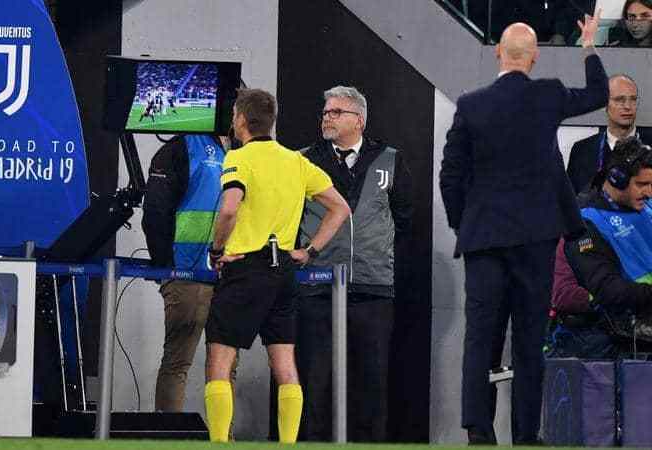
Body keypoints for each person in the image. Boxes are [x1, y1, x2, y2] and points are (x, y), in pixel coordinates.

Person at [439, 10, 608, 445]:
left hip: (484, 240)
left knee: (481, 337)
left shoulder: (471, 105)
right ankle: (526, 435)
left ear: (499, 52)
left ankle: (479, 432)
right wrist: (588, 46)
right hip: (535, 240)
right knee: (530, 339)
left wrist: (465, 225)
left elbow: (450, 175)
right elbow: (599, 93)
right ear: (534, 58)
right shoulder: (548, 95)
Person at [202, 88, 350, 443]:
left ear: (240, 119)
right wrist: (309, 250)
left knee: (219, 361)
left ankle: (219, 443)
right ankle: (287, 444)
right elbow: (341, 208)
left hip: (245, 268)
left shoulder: (239, 158)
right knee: (285, 365)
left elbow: (229, 208)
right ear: (272, 121)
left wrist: (217, 249)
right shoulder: (295, 161)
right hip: (283, 270)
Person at [295, 86, 411, 442]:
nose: (326, 118)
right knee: (314, 382)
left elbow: (404, 219)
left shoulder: (390, 159)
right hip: (317, 286)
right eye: (325, 112)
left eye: (336, 112)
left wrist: (377, 256)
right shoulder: (303, 160)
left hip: (372, 289)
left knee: (372, 384)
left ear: (358, 120)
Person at [141, 134, 236, 412]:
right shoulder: (181, 147)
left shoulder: (244, 148)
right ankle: (169, 434)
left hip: (231, 276)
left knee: (225, 368)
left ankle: (222, 436)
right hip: (187, 272)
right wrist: (167, 266)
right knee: (177, 362)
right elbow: (155, 211)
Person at [553, 137, 652, 358]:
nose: (648, 192)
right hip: (612, 342)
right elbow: (609, 290)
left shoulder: (645, 206)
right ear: (617, 179)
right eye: (641, 184)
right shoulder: (585, 222)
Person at [568, 74, 652, 194]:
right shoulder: (581, 150)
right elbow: (569, 199)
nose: (627, 106)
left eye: (633, 99)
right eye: (619, 100)